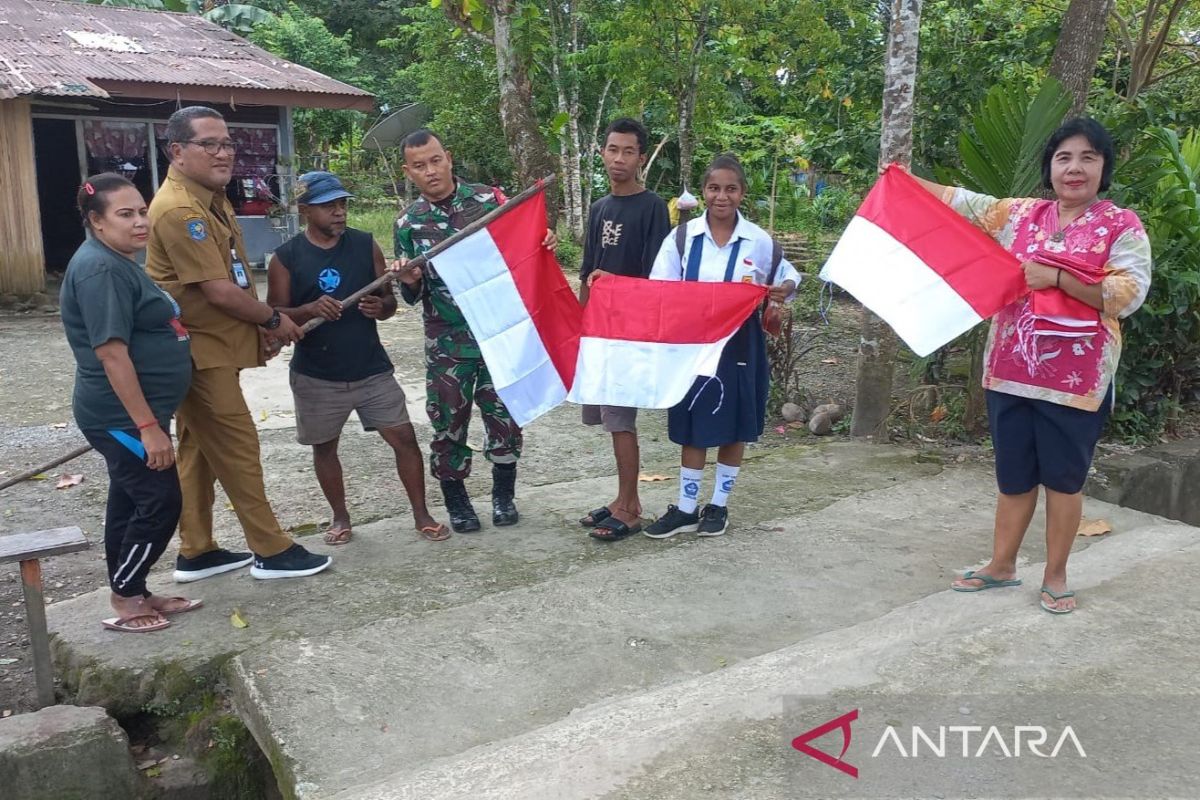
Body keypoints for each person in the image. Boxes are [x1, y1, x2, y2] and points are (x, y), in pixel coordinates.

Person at [906, 118, 1151, 614]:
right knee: (1013, 476)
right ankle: (1002, 566)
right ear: (1050, 168)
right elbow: (961, 202)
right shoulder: (1020, 216)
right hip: (1010, 372)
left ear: (1104, 168)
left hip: (1075, 382)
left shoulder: (1121, 225)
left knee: (1064, 480)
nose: (1075, 168)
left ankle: (1056, 575)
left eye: (1087, 157)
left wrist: (1057, 278)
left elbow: (1126, 295)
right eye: (1063, 158)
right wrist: (903, 179)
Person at [147, 106, 332, 581]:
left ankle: (196, 549)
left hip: (213, 346)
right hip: (197, 351)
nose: (223, 153)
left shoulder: (209, 196)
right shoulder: (180, 209)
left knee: (198, 450)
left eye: (227, 143)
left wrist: (258, 328)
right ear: (177, 151)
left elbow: (231, 278)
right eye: (209, 144)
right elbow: (217, 290)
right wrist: (273, 320)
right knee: (236, 445)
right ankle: (271, 550)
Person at [266, 171, 447, 544]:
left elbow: (389, 302)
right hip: (317, 373)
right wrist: (309, 309)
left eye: (342, 204)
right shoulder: (286, 258)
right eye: (328, 205)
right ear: (305, 210)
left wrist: (377, 307)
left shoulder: (365, 245)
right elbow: (275, 315)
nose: (339, 212)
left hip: (370, 368)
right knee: (325, 447)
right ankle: (340, 517)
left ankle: (421, 514)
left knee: (404, 439)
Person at [390, 128, 556, 533]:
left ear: (448, 157)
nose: (430, 171)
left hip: (498, 336)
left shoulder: (489, 201)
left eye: (435, 160)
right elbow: (413, 295)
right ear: (407, 172)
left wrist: (544, 240)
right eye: (419, 166)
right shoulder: (409, 223)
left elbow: (521, 246)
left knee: (504, 417)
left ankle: (503, 496)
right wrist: (409, 279)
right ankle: (458, 503)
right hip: (448, 344)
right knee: (448, 423)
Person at [60, 174, 200, 632]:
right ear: (96, 222)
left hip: (133, 415)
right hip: (120, 417)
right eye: (126, 215)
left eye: (142, 211)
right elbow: (110, 353)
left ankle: (134, 588)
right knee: (160, 502)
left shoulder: (116, 261)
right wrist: (147, 426)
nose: (141, 222)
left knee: (128, 501)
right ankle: (126, 597)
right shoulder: (100, 269)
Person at [643, 154, 799, 539]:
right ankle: (685, 508)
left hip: (740, 347)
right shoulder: (682, 238)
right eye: (714, 188)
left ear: (742, 193)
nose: (722, 196)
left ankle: (719, 506)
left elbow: (789, 275)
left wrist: (785, 290)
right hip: (692, 346)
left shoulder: (759, 242)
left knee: (734, 426)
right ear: (704, 192)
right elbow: (658, 288)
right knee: (692, 423)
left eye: (730, 189)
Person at [577, 118, 671, 541]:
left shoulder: (651, 207)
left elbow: (658, 279)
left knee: (620, 421)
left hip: (629, 332)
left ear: (641, 157)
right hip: (598, 331)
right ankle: (619, 499)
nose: (619, 159)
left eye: (628, 151)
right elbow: (586, 274)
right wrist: (580, 330)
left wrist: (613, 287)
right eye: (612, 150)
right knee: (608, 420)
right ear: (602, 153)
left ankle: (631, 509)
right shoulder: (599, 208)